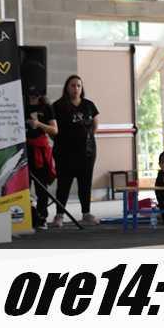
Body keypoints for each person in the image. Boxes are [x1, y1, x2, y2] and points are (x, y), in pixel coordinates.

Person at [51, 75, 100, 227]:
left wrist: (87, 138)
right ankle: (59, 215)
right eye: (72, 85)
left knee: (85, 183)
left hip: (87, 152)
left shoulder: (88, 105)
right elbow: (52, 130)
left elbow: (95, 125)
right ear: (67, 87)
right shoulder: (58, 106)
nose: (76, 88)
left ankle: (86, 213)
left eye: (79, 85)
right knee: (64, 184)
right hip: (64, 152)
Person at [25, 85, 57, 230]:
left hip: (40, 150)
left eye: (36, 95)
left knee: (41, 187)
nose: (33, 97)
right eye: (31, 95)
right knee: (24, 186)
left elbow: (54, 130)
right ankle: (28, 216)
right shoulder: (22, 105)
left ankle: (42, 216)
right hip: (25, 149)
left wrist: (38, 124)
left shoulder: (46, 107)